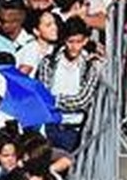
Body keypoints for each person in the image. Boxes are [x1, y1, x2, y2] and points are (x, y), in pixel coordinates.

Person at [34, 17, 101, 153]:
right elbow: (44, 95)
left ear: (85, 41)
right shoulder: (49, 62)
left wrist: (55, 100)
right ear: (64, 40)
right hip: (49, 126)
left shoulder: (90, 66)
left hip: (74, 129)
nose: (74, 46)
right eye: (70, 42)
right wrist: (56, 101)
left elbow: (82, 100)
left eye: (78, 42)